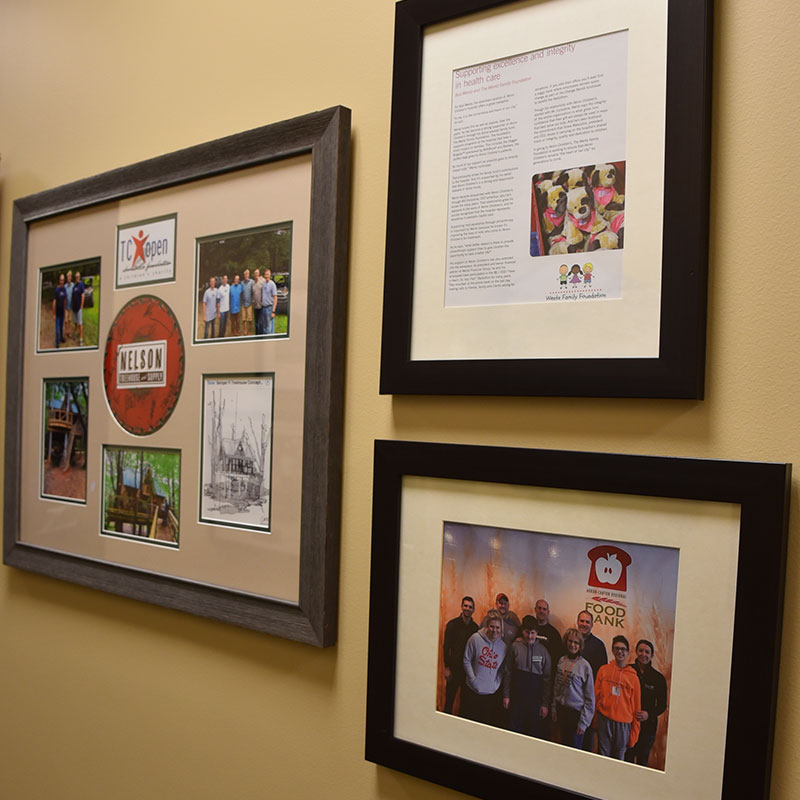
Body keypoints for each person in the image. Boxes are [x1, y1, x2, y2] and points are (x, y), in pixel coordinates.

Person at [503, 615, 551, 738]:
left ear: (537, 633)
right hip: (516, 698)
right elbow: (508, 672)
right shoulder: (515, 647)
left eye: (533, 633)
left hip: (535, 701)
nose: (530, 636)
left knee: (532, 733)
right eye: (527, 632)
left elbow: (547, 680)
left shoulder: (543, 651)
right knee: (514, 732)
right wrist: (506, 695)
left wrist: (545, 704)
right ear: (522, 631)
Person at [595, 635, 641, 760]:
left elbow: (637, 707)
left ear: (627, 652)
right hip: (604, 720)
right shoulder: (603, 670)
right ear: (612, 650)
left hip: (623, 725)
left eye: (623, 649)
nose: (619, 652)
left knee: (618, 759)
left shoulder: (633, 678)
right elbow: (596, 695)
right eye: (616, 648)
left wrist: (633, 736)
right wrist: (594, 720)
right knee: (602, 757)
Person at [625, 639, 667, 767]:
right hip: (628, 724)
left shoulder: (658, 678)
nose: (644, 654)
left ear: (652, 655)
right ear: (636, 652)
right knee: (627, 759)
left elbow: (662, 705)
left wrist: (648, 714)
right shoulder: (628, 670)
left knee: (642, 761)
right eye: (641, 651)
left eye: (647, 652)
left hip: (648, 728)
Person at [551, 628, 595, 749]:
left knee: (574, 750)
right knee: (562, 747)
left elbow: (590, 698)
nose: (572, 645)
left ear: (580, 645)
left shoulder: (585, 666)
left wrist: (584, 722)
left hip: (575, 715)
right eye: (570, 641)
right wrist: (554, 707)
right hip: (561, 711)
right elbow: (556, 687)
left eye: (576, 643)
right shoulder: (561, 660)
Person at [462, 612, 507, 727]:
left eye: (497, 627)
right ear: (487, 626)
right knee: (468, 726)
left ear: (501, 629)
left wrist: (496, 684)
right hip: (472, 691)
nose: (494, 630)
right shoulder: (475, 639)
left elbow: (502, 668)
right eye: (492, 626)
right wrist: (473, 680)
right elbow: (466, 660)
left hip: (490, 694)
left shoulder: (503, 647)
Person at [576, 609, 607, 753]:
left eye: (587, 622)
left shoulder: (599, 646)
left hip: (589, 697)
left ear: (592, 624)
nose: (584, 624)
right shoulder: (571, 640)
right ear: (577, 622)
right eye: (581, 621)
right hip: (572, 696)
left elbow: (602, 676)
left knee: (587, 737)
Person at [442, 596, 479, 714]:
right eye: (465, 606)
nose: (467, 609)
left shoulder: (475, 628)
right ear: (462, 607)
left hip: (468, 671)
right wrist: (447, 668)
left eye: (470, 607)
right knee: (449, 700)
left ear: (473, 610)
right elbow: (446, 647)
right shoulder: (452, 624)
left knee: (465, 702)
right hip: (453, 669)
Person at [531, 598, 563, 670]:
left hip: (544, 674)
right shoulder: (527, 629)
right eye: (539, 608)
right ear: (535, 609)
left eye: (544, 609)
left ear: (548, 612)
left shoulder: (554, 634)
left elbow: (557, 657)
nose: (541, 611)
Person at [52, 274, 67, 348]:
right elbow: (54, 302)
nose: (62, 281)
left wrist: (64, 310)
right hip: (57, 313)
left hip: (62, 313)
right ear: (59, 280)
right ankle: (57, 343)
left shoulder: (64, 289)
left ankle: (61, 338)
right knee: (57, 329)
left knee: (61, 327)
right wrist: (53, 314)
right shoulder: (57, 290)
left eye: (63, 280)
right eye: (61, 280)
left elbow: (64, 300)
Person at [261, 268, 278, 335]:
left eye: (268, 274)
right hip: (264, 308)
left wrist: (273, 311)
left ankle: (270, 341)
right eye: (265, 274)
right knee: (265, 327)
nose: (266, 276)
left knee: (269, 328)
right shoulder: (264, 283)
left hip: (269, 308)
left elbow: (275, 298)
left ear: (270, 275)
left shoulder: (272, 284)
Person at [71, 270, 85, 345]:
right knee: (75, 323)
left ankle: (81, 339)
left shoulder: (81, 285)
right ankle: (75, 335)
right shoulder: (74, 286)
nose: (77, 278)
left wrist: (81, 306)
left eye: (78, 277)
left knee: (80, 323)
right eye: (76, 277)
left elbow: (82, 295)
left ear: (79, 277)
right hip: (74, 308)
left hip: (79, 308)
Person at [241, 268, 254, 336]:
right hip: (243, 304)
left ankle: (250, 330)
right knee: (244, 319)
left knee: (250, 319)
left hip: (249, 304)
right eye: (244, 274)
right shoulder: (242, 283)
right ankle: (245, 330)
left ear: (249, 274)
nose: (246, 275)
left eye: (247, 274)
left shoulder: (252, 282)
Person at [252, 268, 265, 335]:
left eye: (257, 273)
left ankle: (261, 335)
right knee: (256, 322)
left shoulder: (262, 281)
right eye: (255, 273)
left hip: (261, 305)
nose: (256, 274)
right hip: (255, 306)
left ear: (259, 274)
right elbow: (253, 293)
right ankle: (256, 334)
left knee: (261, 322)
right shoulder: (253, 283)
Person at [63, 269, 73, 340]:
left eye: (69, 276)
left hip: (71, 307)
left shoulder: (73, 285)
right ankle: (66, 332)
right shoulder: (65, 286)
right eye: (67, 277)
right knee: (66, 321)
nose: (68, 278)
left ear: (71, 277)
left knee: (69, 320)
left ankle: (69, 332)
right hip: (66, 307)